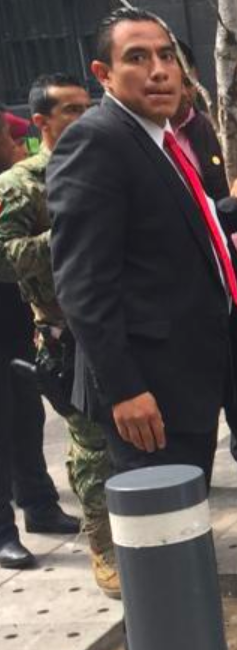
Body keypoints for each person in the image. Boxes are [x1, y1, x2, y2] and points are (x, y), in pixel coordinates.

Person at [47, 9, 237, 650]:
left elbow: (171, 232)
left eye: (167, 57)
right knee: (158, 550)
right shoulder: (96, 141)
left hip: (185, 382)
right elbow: (84, 285)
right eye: (138, 58)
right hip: (147, 395)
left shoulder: (160, 141)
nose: (158, 71)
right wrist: (124, 387)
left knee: (178, 543)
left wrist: (231, 209)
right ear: (103, 74)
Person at [0, 74, 118, 593]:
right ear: (42, 123)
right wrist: (68, 229)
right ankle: (104, 545)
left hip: (123, 321)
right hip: (65, 333)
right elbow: (5, 256)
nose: (83, 116)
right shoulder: (20, 184)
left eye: (86, 106)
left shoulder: (107, 166)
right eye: (69, 110)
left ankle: (129, 528)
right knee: (91, 441)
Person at [171, 40, 237, 489]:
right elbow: (185, 219)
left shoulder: (205, 129)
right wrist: (233, 206)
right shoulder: (145, 143)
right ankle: (195, 468)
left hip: (224, 265)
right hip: (185, 284)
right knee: (200, 376)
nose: (179, 86)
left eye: (186, 77)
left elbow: (219, 194)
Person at [0, 103, 80, 571]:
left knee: (27, 414)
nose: (16, 146)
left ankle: (40, 505)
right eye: (7, 140)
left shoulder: (17, 186)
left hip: (16, 319)